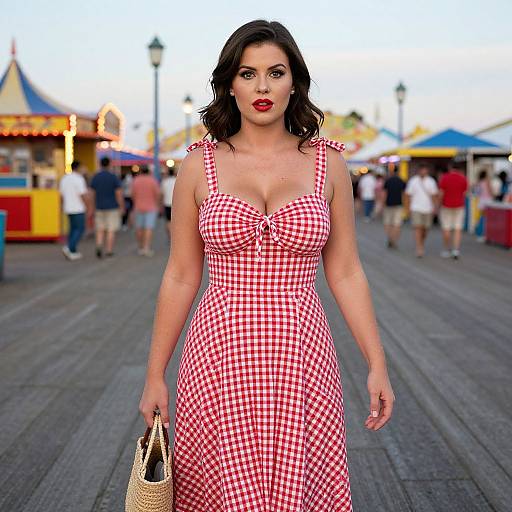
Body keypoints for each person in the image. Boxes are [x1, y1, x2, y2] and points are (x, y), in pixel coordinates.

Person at [138, 20, 394, 512]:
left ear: (294, 80)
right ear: (229, 84)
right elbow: (180, 275)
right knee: (217, 490)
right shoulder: (199, 164)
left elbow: (345, 272)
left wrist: (376, 362)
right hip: (218, 355)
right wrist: (155, 373)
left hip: (304, 356)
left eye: (275, 72)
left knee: (302, 488)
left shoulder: (328, 163)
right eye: (247, 73)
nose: (261, 86)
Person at [90, 156, 124, 258]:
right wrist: (121, 206)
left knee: (100, 229)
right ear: (109, 164)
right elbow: (118, 193)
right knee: (111, 229)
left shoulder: (96, 177)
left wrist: (92, 206)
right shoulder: (113, 177)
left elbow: (92, 193)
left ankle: (99, 245)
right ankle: (109, 250)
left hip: (99, 207)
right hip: (112, 207)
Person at [404, 164, 439, 258]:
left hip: (428, 208)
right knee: (418, 227)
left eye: (425, 170)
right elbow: (407, 195)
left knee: (426, 229)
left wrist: (436, 207)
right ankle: (419, 247)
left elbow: (435, 195)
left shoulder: (431, 181)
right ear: (419, 171)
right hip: (416, 208)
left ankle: (421, 242)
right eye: (422, 170)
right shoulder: (413, 181)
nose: (423, 172)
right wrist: (407, 209)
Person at [59, 160, 89, 260]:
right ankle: (69, 247)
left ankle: (73, 251)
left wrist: (62, 206)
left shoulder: (64, 178)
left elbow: (61, 196)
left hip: (68, 208)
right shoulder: (79, 179)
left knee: (72, 230)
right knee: (80, 229)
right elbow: (83, 195)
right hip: (78, 208)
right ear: (79, 167)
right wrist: (88, 206)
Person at [438, 163, 468, 259]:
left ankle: (447, 249)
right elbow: (465, 192)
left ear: (450, 167)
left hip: (446, 206)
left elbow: (441, 193)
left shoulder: (445, 178)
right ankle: (456, 250)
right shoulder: (463, 178)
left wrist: (438, 205)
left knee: (446, 228)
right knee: (457, 229)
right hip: (459, 206)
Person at [131, 166, 161, 257]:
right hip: (151, 207)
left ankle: (140, 247)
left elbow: (132, 194)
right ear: (148, 171)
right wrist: (158, 204)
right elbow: (158, 194)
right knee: (148, 228)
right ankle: (146, 248)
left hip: (138, 206)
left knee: (139, 228)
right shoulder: (152, 181)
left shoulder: (136, 180)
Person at [382, 166, 406, 248]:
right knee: (397, 224)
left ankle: (390, 238)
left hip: (388, 204)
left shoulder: (388, 181)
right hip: (399, 205)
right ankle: (394, 240)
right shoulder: (401, 181)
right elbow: (404, 194)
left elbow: (384, 193)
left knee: (388, 223)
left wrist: (383, 203)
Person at [473, 170, 493, 242]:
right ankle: (485, 234)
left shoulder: (478, 182)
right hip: (488, 201)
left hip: (481, 201)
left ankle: (481, 234)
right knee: (487, 219)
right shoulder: (487, 181)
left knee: (482, 218)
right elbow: (491, 191)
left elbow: (476, 192)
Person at [160, 165, 176, 240]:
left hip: (167, 204)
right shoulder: (177, 180)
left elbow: (162, 194)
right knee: (176, 221)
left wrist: (160, 205)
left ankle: (170, 236)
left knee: (168, 221)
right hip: (176, 205)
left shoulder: (164, 182)